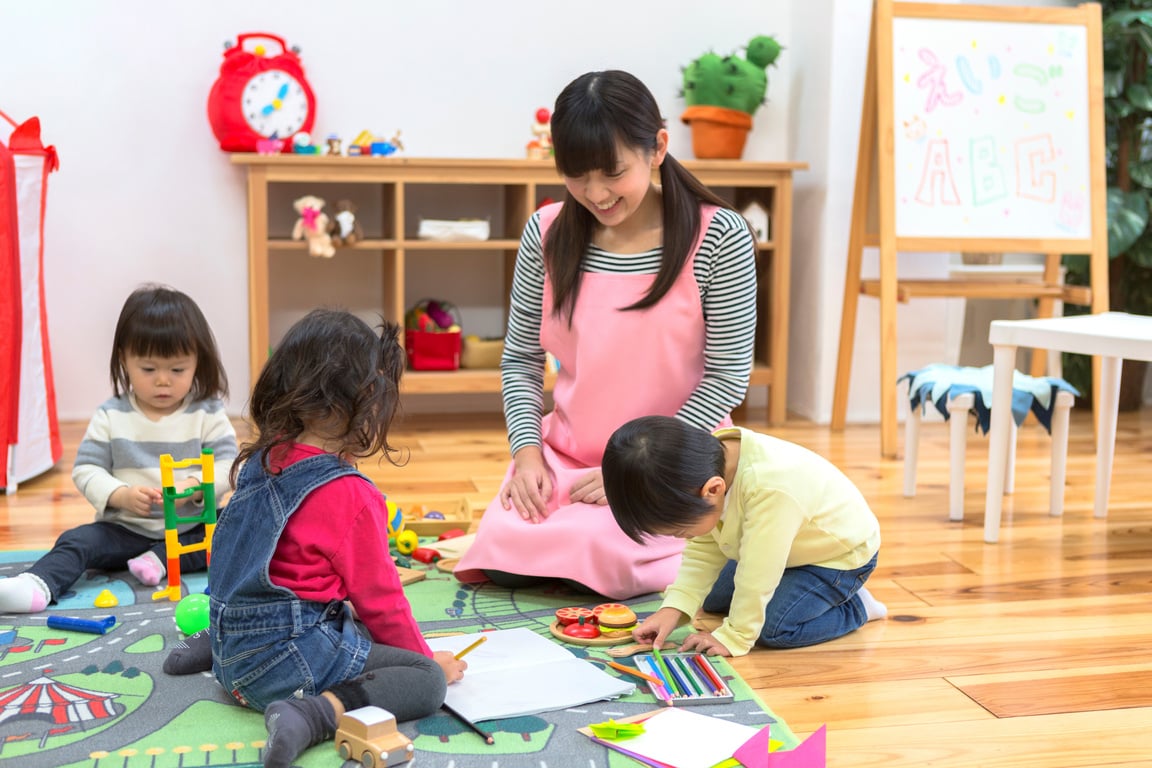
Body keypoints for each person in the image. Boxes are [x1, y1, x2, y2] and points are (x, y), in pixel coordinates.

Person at [454, 70, 758, 599]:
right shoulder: (547, 232)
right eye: (576, 175)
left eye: (613, 172)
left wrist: (633, 472)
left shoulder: (719, 236)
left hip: (669, 462)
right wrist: (527, 454)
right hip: (569, 457)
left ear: (658, 148)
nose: (595, 193)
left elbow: (728, 375)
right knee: (503, 545)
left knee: (607, 550)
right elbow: (521, 360)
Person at [208, 309, 467, 768]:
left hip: (227, 658)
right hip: (284, 671)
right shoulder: (350, 494)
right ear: (367, 402)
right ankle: (311, 715)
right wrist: (427, 661)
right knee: (425, 681)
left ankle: (202, 646)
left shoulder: (260, 461)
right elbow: (382, 602)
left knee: (339, 617)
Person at [0, 284, 236, 614]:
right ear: (124, 358)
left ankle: (160, 559)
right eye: (149, 369)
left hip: (191, 526)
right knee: (77, 541)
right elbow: (86, 470)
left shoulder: (207, 412)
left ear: (199, 361)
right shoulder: (111, 415)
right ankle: (36, 585)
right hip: (124, 530)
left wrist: (196, 487)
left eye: (177, 369)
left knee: (240, 521)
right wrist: (120, 494)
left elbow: (231, 465)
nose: (163, 381)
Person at [601, 415, 887, 657]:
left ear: (713, 491)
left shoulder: (771, 489)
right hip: (782, 549)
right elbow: (704, 547)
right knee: (713, 599)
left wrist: (734, 637)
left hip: (838, 558)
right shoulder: (703, 466)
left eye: (680, 532)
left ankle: (859, 606)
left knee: (773, 628)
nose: (681, 538)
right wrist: (674, 608)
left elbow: (757, 574)